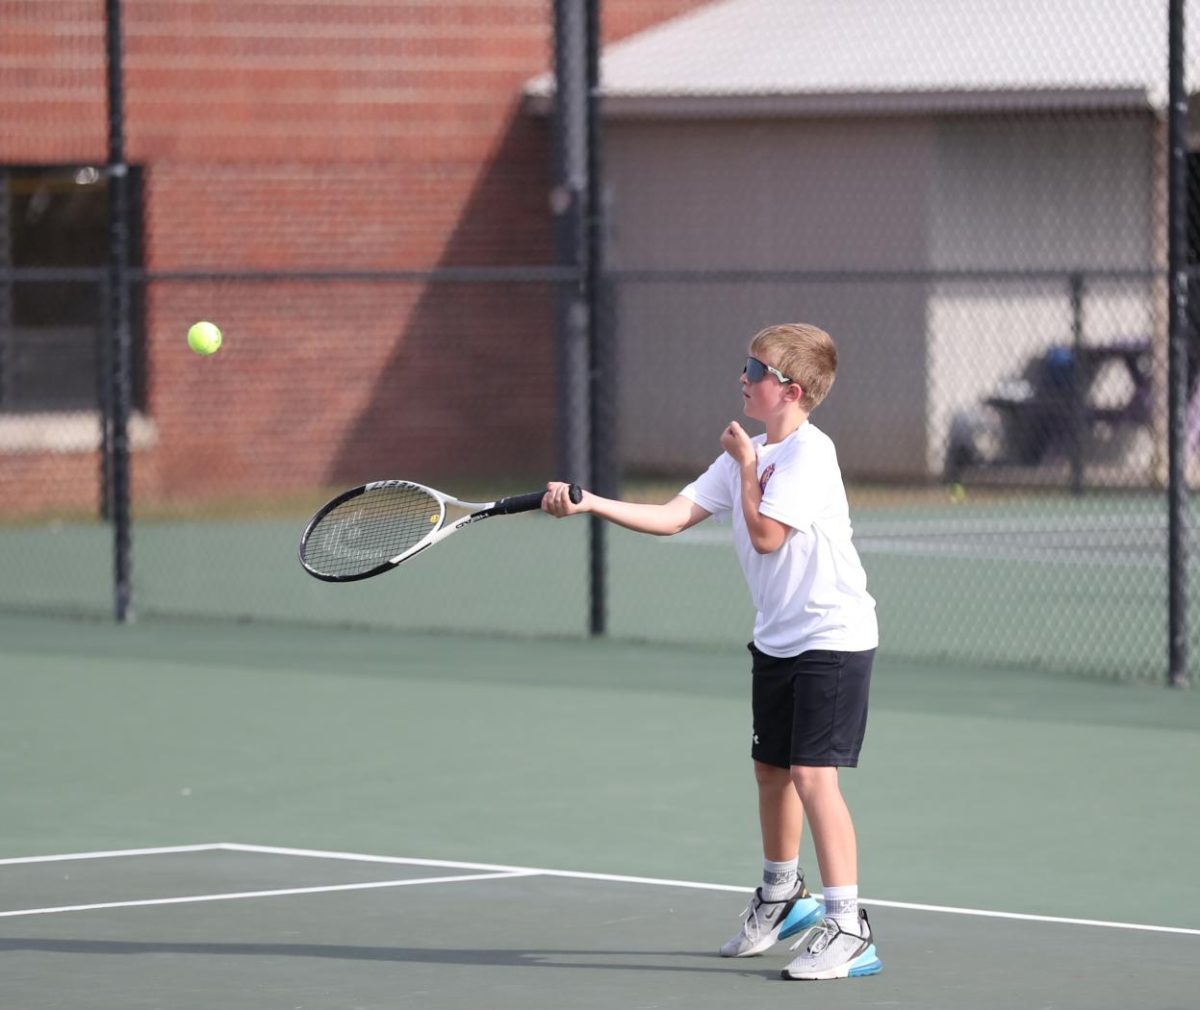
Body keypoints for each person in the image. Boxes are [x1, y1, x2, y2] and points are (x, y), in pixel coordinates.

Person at [542, 322, 881, 981]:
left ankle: (849, 926)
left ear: (791, 389)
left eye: (753, 372)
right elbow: (672, 516)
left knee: (815, 777)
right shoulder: (742, 456)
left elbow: (766, 537)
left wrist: (751, 467)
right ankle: (784, 896)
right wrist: (589, 504)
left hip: (831, 637)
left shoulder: (809, 454)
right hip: (778, 638)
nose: (743, 381)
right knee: (771, 772)